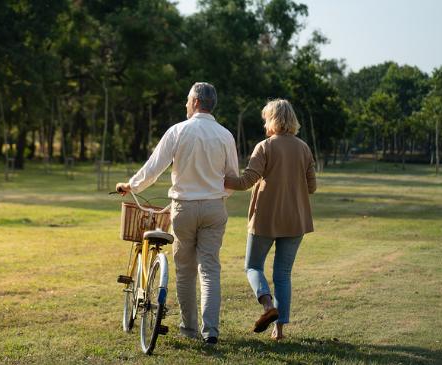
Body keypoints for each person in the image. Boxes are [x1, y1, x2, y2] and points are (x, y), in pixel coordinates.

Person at [116, 82, 239, 345]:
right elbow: (232, 179)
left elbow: (153, 168)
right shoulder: (225, 135)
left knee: (185, 270)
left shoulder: (179, 131)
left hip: (183, 208)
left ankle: (189, 328)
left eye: (187, 100)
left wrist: (132, 185)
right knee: (210, 269)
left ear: (195, 101)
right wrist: (217, 196)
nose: (185, 104)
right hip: (214, 208)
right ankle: (211, 331)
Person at [224, 99, 316, 341]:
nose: (264, 122)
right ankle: (279, 330)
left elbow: (245, 182)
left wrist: (218, 178)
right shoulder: (304, 148)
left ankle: (267, 307)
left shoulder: (264, 147)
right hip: (295, 220)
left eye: (266, 118)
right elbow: (312, 187)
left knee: (253, 266)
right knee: (283, 275)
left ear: (272, 120)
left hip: (266, 218)